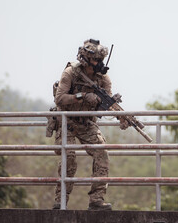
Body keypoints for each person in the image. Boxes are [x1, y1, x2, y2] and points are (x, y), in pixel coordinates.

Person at [52, 39, 129, 210]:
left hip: (87, 122)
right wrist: (82, 96)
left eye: (100, 60)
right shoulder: (70, 73)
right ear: (85, 59)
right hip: (67, 121)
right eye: (96, 60)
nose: (99, 64)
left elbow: (107, 103)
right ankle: (60, 201)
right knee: (69, 158)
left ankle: (97, 200)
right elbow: (60, 98)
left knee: (102, 153)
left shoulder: (103, 78)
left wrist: (121, 117)